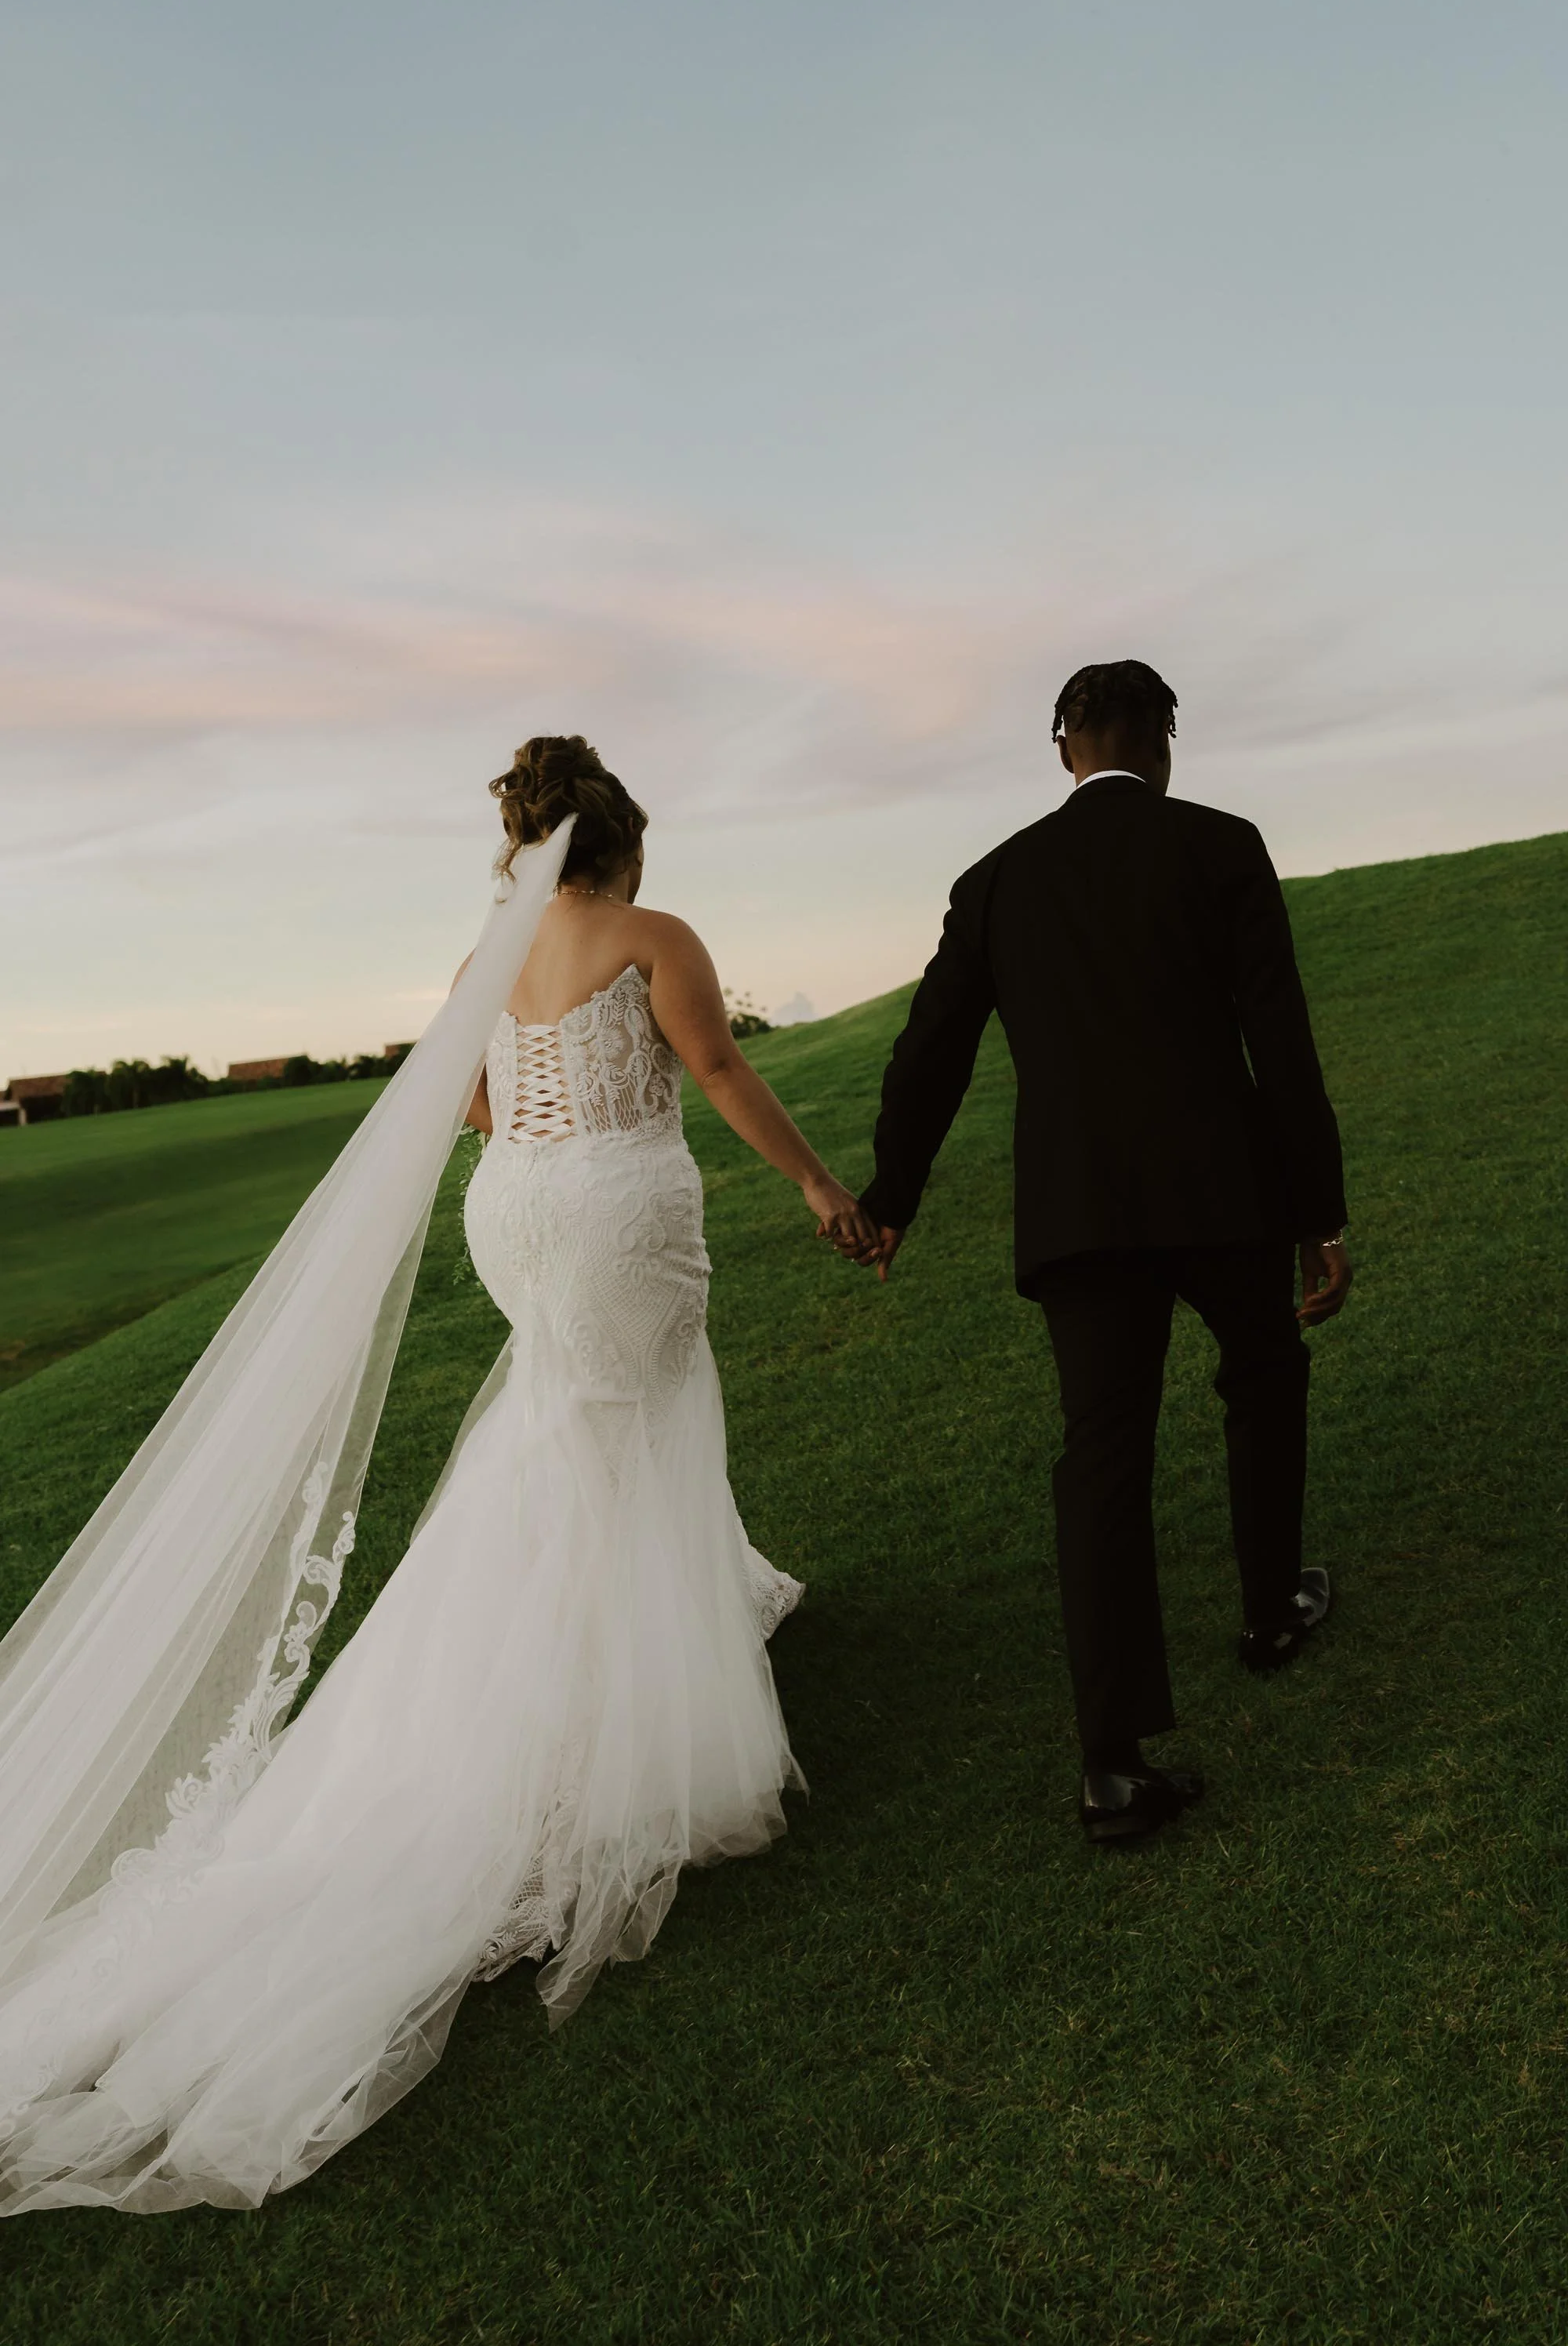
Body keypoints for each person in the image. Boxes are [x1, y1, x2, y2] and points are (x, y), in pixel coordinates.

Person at [0, 736, 877, 2213]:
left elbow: (471, 1112)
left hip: (518, 1213)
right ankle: (609, 1703)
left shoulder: (494, 954)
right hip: (614, 1210)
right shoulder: (653, 940)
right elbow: (715, 1062)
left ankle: (651, 1613)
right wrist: (816, 1180)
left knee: (562, 1428)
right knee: (630, 1426)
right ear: (621, 843)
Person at [857, 661, 1352, 1843]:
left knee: (1103, 1455)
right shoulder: (1224, 845)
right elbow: (1279, 1040)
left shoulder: (994, 882)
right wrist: (1318, 1213)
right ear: (1164, 740)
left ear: (1064, 745)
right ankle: (1273, 1606)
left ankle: (1113, 1766)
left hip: (1080, 1213)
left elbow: (930, 1053)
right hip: (1228, 1194)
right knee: (1264, 1375)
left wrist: (892, 1197)